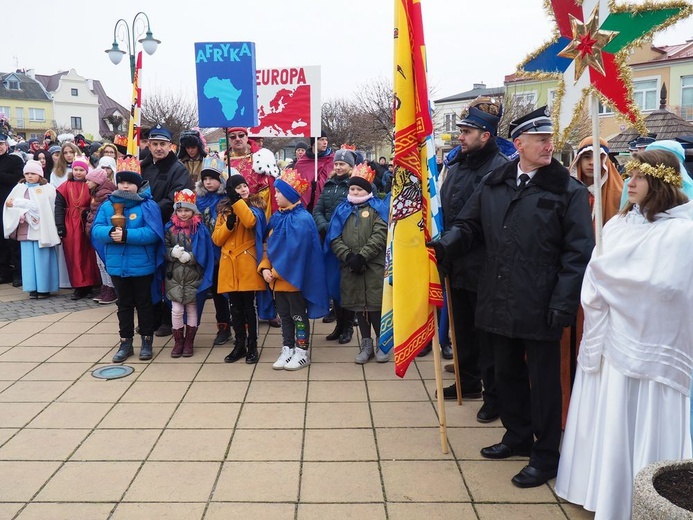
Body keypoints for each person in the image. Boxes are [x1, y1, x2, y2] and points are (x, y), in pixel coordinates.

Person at [428, 106, 594, 488]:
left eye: (550, 139)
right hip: (497, 296)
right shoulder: (496, 181)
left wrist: (563, 303)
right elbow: (469, 225)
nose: (548, 146)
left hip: (541, 301)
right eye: (540, 140)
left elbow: (578, 254)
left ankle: (547, 453)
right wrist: (444, 245)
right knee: (505, 375)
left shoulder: (566, 190)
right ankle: (517, 436)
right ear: (519, 144)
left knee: (544, 382)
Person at [555, 149, 693, 519]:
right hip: (611, 340)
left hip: (650, 345)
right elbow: (596, 270)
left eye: (639, 176)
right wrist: (605, 278)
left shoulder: (682, 232)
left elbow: (672, 288)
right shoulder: (619, 224)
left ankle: (642, 497)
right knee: (609, 412)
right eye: (628, 175)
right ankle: (596, 487)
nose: (629, 183)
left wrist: (612, 280)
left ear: (660, 181)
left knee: (638, 413)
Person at [437, 97, 510, 423]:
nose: (460, 136)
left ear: (486, 135)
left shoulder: (498, 169)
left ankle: (495, 396)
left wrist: (450, 245)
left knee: (487, 335)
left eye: (467, 131)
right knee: (461, 328)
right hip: (455, 260)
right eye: (461, 130)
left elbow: (483, 220)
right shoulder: (457, 165)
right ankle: (467, 382)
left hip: (483, 264)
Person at [91, 168, 165, 362]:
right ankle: (125, 342)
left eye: (130, 183)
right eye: (122, 182)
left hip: (142, 263)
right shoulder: (107, 206)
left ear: (138, 186)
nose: (125, 186)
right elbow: (96, 229)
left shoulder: (147, 206)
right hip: (117, 264)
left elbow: (153, 233)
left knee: (144, 303)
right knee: (123, 305)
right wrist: (109, 233)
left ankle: (147, 341)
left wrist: (127, 236)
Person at [260, 168, 329, 371]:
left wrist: (277, 272)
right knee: (284, 316)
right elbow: (267, 246)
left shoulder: (303, 219)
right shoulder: (276, 217)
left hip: (294, 279)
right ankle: (287, 348)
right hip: (277, 280)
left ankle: (302, 351)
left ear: (290, 194)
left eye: (279, 192)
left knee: (298, 316)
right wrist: (265, 267)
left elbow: (300, 252)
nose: (275, 195)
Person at [325, 162, 390, 363]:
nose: (354, 191)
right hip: (350, 267)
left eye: (359, 188)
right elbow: (334, 237)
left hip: (373, 267)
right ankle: (366, 343)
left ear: (368, 190)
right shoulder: (342, 210)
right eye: (352, 188)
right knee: (359, 307)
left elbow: (380, 234)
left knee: (375, 306)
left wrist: (362, 256)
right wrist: (348, 257)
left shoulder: (377, 209)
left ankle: (382, 342)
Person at [140, 124, 194, 337]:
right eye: (154, 144)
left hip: (165, 227)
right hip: (144, 227)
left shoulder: (177, 169)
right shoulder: (142, 166)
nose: (158, 148)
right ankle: (151, 316)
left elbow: (175, 199)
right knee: (149, 274)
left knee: (165, 273)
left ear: (170, 146)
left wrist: (148, 210)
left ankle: (167, 318)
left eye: (163, 144)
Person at [213, 173, 268, 364]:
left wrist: (237, 202)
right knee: (234, 308)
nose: (244, 189)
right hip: (229, 263)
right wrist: (227, 226)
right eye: (238, 188)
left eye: (245, 186)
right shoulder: (223, 212)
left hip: (246, 262)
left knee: (248, 308)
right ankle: (240, 344)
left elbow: (250, 222)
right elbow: (217, 239)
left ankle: (252, 345)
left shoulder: (255, 206)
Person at [313, 148, 357, 343]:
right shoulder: (329, 185)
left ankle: (348, 326)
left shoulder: (354, 185)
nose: (339, 167)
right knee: (334, 284)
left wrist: (336, 230)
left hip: (346, 241)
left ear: (350, 166)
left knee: (346, 285)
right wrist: (325, 227)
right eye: (337, 164)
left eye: (343, 164)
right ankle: (339, 325)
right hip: (329, 240)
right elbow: (318, 210)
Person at [165, 189, 214, 358]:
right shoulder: (170, 229)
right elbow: (162, 249)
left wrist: (191, 257)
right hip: (175, 277)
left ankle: (189, 341)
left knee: (192, 309)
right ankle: (178, 341)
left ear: (193, 210)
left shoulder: (200, 229)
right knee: (176, 310)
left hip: (194, 276)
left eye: (186, 210)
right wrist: (172, 253)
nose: (183, 213)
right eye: (180, 210)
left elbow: (205, 251)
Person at [2, 160, 60, 299]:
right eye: (27, 173)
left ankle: (45, 287)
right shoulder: (19, 188)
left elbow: (50, 208)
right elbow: (9, 205)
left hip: (42, 230)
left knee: (42, 259)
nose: (29, 176)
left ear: (39, 174)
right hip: (25, 229)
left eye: (33, 173)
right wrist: (18, 212)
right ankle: (32, 287)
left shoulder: (48, 188)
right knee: (28, 260)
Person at [195, 156, 232, 346]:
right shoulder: (199, 200)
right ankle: (223, 326)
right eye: (205, 178)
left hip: (226, 251)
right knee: (216, 291)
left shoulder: (227, 199)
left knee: (231, 290)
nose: (208, 182)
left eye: (212, 178)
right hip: (208, 252)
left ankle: (241, 324)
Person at [54, 156, 101, 300]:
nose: (78, 172)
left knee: (88, 255)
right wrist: (60, 225)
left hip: (85, 222)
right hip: (70, 223)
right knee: (73, 255)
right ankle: (79, 286)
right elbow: (59, 207)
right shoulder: (64, 186)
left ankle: (91, 284)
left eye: (81, 170)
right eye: (76, 169)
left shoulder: (90, 185)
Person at [569, 136, 624, 225]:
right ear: (579, 160)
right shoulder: (566, 191)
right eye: (587, 157)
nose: (592, 162)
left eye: (598, 158)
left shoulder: (619, 193)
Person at [84, 168, 118, 305]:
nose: (86, 182)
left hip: (101, 231)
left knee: (104, 262)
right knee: (100, 263)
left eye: (89, 180)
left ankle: (111, 288)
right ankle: (106, 287)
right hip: (95, 230)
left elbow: (99, 214)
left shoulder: (103, 194)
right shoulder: (97, 193)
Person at [225, 127, 272, 213]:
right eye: (233, 137)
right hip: (230, 210)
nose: (237, 139)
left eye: (241, 135)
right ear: (228, 140)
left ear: (247, 138)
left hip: (253, 210)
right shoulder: (223, 161)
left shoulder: (259, 159)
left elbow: (265, 190)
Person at [0, 132, 24, 285]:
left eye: (1, 144)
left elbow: (17, 179)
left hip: (10, 206)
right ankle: (4, 272)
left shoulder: (14, 160)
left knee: (13, 240)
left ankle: (18, 273)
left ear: (6, 145)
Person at [293, 131, 335, 211]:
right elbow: (297, 185)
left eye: (326, 140)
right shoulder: (302, 162)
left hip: (325, 204)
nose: (325, 142)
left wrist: (319, 184)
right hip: (306, 206)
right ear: (314, 142)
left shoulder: (332, 160)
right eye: (322, 140)